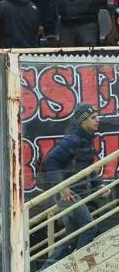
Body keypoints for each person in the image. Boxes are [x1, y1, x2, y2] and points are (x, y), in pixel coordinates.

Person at [42, 104, 102, 261]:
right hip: (68, 194)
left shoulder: (84, 140)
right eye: (93, 117)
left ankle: (46, 271)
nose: (98, 120)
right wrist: (62, 187)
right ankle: (77, 267)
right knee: (89, 228)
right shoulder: (73, 139)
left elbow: (87, 167)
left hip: (72, 193)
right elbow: (50, 162)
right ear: (82, 121)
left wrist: (99, 185)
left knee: (72, 238)